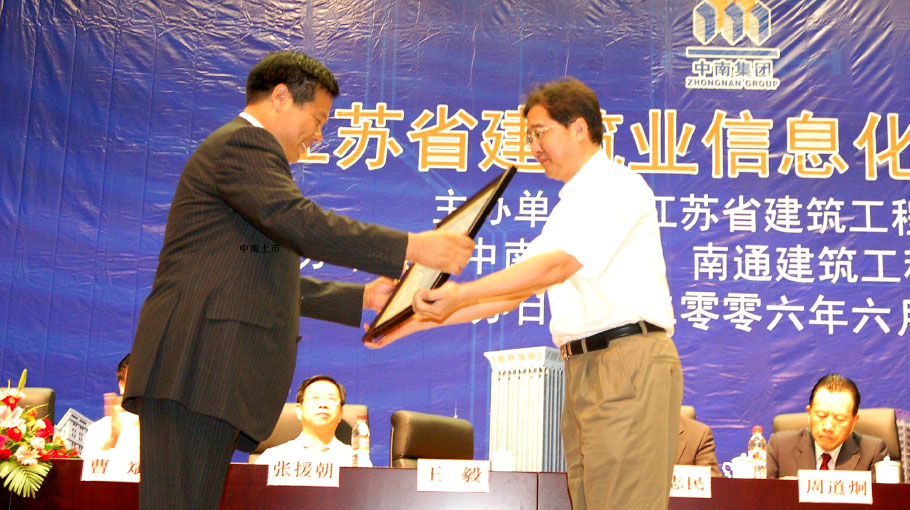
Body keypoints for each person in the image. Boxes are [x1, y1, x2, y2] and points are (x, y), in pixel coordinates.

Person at [122, 51, 473, 510]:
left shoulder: (246, 159)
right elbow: (300, 222)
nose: (320, 135)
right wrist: (412, 246)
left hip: (201, 373)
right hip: (195, 366)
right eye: (319, 119)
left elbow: (262, 275)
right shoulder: (244, 144)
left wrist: (364, 298)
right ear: (282, 98)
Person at [369, 78, 682, 510]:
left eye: (540, 132)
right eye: (529, 136)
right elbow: (514, 292)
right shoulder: (570, 207)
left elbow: (555, 267)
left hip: (627, 361)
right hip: (585, 368)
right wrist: (412, 321)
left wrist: (462, 293)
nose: (533, 146)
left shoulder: (617, 186)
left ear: (578, 128)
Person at [767, 373, 887, 478]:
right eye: (821, 416)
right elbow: (762, 493)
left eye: (839, 419)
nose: (828, 427)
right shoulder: (780, 447)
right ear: (809, 414)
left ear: (854, 422)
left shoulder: (873, 453)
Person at [255, 375, 368, 467]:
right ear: (299, 410)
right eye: (315, 398)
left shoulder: (356, 462)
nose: (323, 404)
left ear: (340, 413)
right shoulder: (273, 458)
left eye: (331, 399)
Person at [81, 354, 140, 459]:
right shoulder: (100, 429)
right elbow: (88, 467)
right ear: (121, 386)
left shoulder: (169, 425)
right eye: (135, 380)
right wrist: (113, 438)